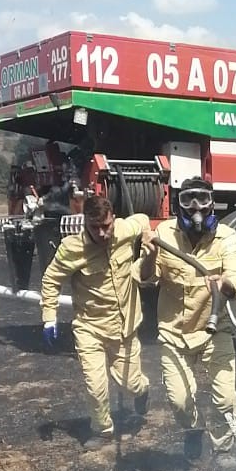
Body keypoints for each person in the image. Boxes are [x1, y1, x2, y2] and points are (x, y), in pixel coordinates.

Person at [137, 176, 236, 461]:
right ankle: (193, 429)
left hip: (214, 329)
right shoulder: (164, 233)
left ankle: (223, 448)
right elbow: (146, 278)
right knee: (179, 400)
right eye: (188, 200)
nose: (195, 207)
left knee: (225, 398)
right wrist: (149, 255)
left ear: (212, 203)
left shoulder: (226, 237)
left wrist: (224, 283)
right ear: (178, 204)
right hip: (173, 332)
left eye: (202, 199)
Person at [40, 189, 151, 450]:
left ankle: (143, 390)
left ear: (114, 218)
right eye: (94, 227)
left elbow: (144, 219)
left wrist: (147, 237)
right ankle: (102, 430)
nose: (101, 233)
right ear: (85, 223)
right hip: (90, 328)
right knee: (96, 386)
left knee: (130, 384)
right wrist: (49, 318)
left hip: (124, 327)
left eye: (106, 226)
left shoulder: (125, 230)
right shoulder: (72, 248)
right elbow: (51, 280)